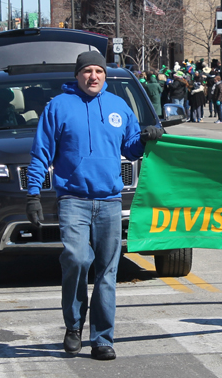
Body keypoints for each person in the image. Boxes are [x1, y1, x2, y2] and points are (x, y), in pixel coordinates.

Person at [25, 51, 163, 360]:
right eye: (87, 70)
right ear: (77, 75)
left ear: (105, 74)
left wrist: (148, 139)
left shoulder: (118, 106)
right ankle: (73, 326)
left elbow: (130, 146)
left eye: (98, 71)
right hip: (73, 199)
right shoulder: (58, 107)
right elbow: (40, 154)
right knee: (76, 258)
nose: (93, 76)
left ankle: (102, 338)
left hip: (110, 201)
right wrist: (33, 195)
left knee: (107, 272)